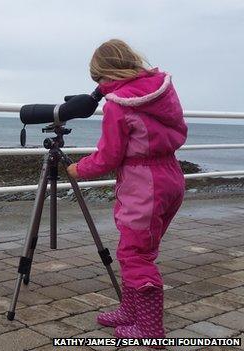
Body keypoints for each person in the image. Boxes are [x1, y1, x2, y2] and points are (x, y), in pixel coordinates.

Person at [66, 39, 187, 342]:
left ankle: (150, 330)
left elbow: (109, 156)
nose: (100, 86)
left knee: (135, 254)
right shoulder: (161, 92)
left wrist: (78, 169)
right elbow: (180, 131)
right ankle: (130, 310)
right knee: (137, 248)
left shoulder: (118, 106)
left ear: (107, 73)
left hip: (143, 184)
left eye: (99, 79)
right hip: (170, 176)